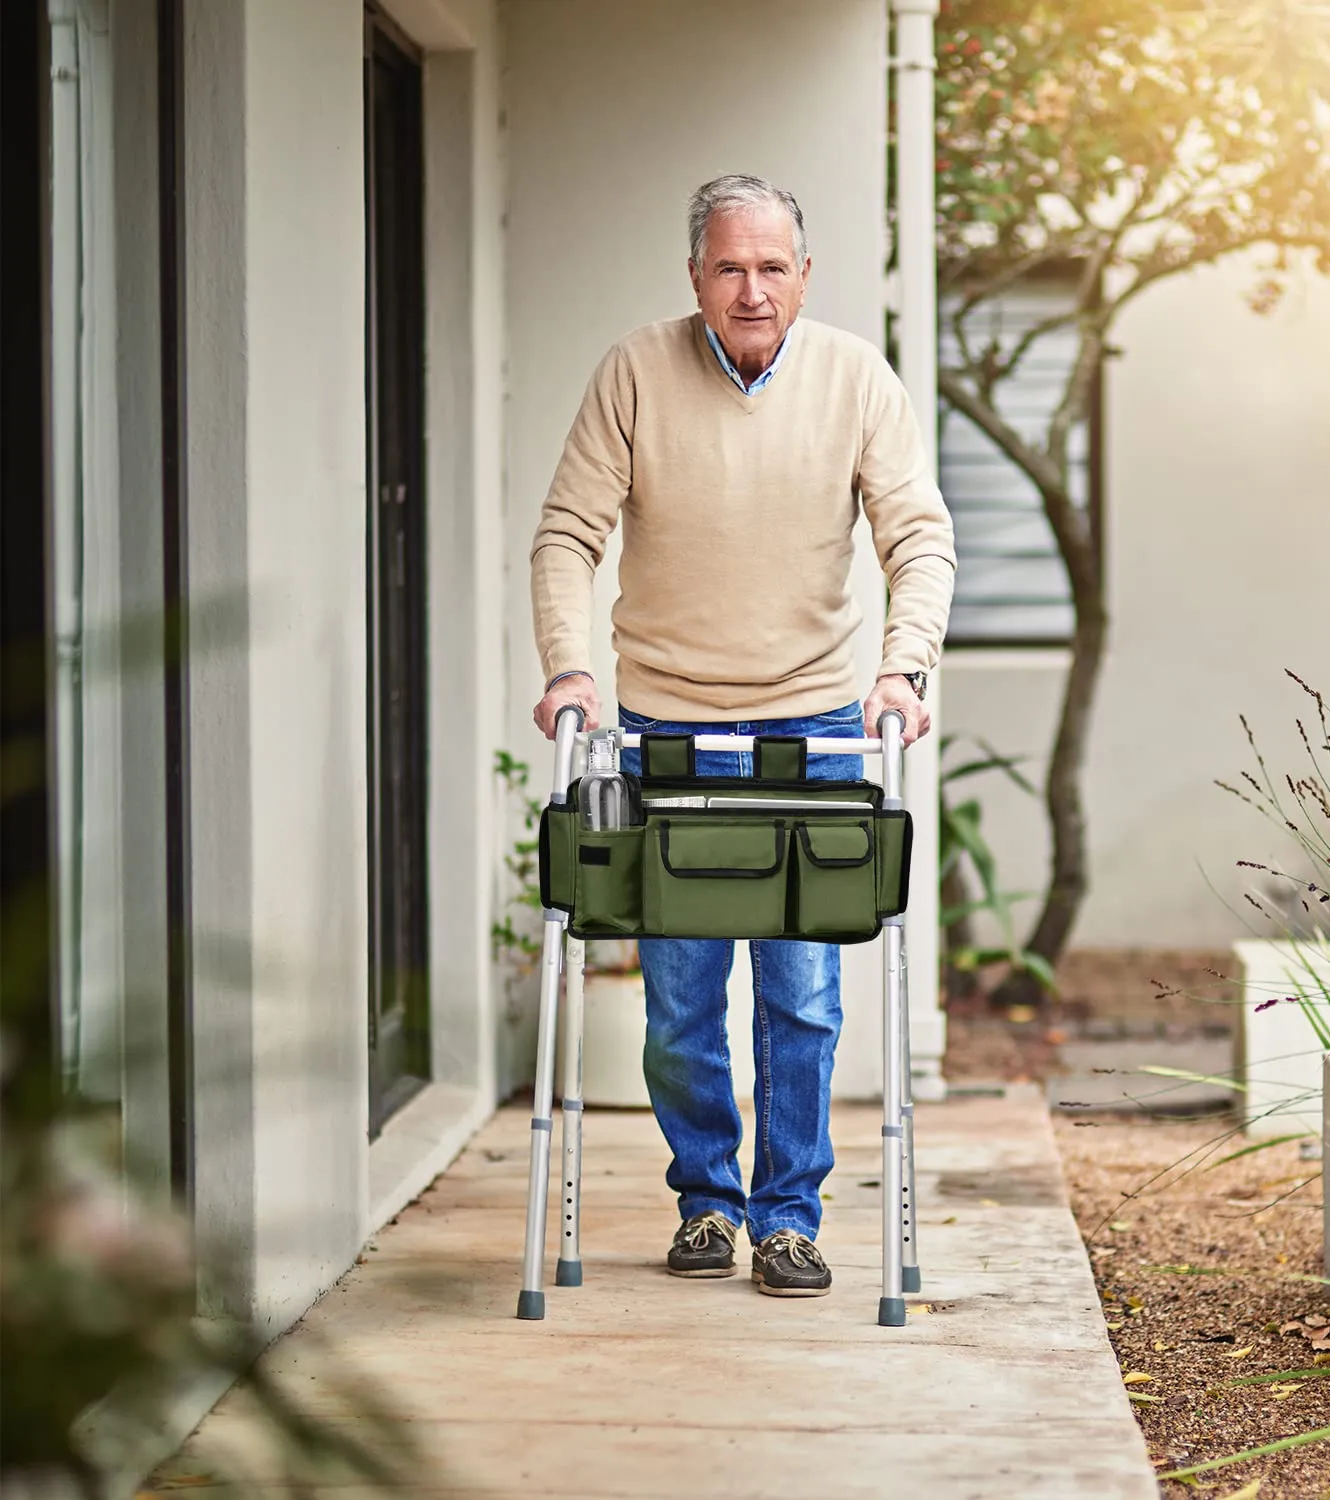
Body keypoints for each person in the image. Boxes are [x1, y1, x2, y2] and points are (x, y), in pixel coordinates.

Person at [529, 174, 954, 1297]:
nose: (752, 289)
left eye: (773, 267)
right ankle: (708, 1203)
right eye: (729, 267)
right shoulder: (634, 371)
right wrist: (569, 666)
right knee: (677, 1004)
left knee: (802, 998)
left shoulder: (856, 378)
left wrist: (901, 668)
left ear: (805, 275)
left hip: (812, 724)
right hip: (665, 726)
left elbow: (920, 537)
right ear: (695, 278)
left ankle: (789, 1217)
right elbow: (567, 533)